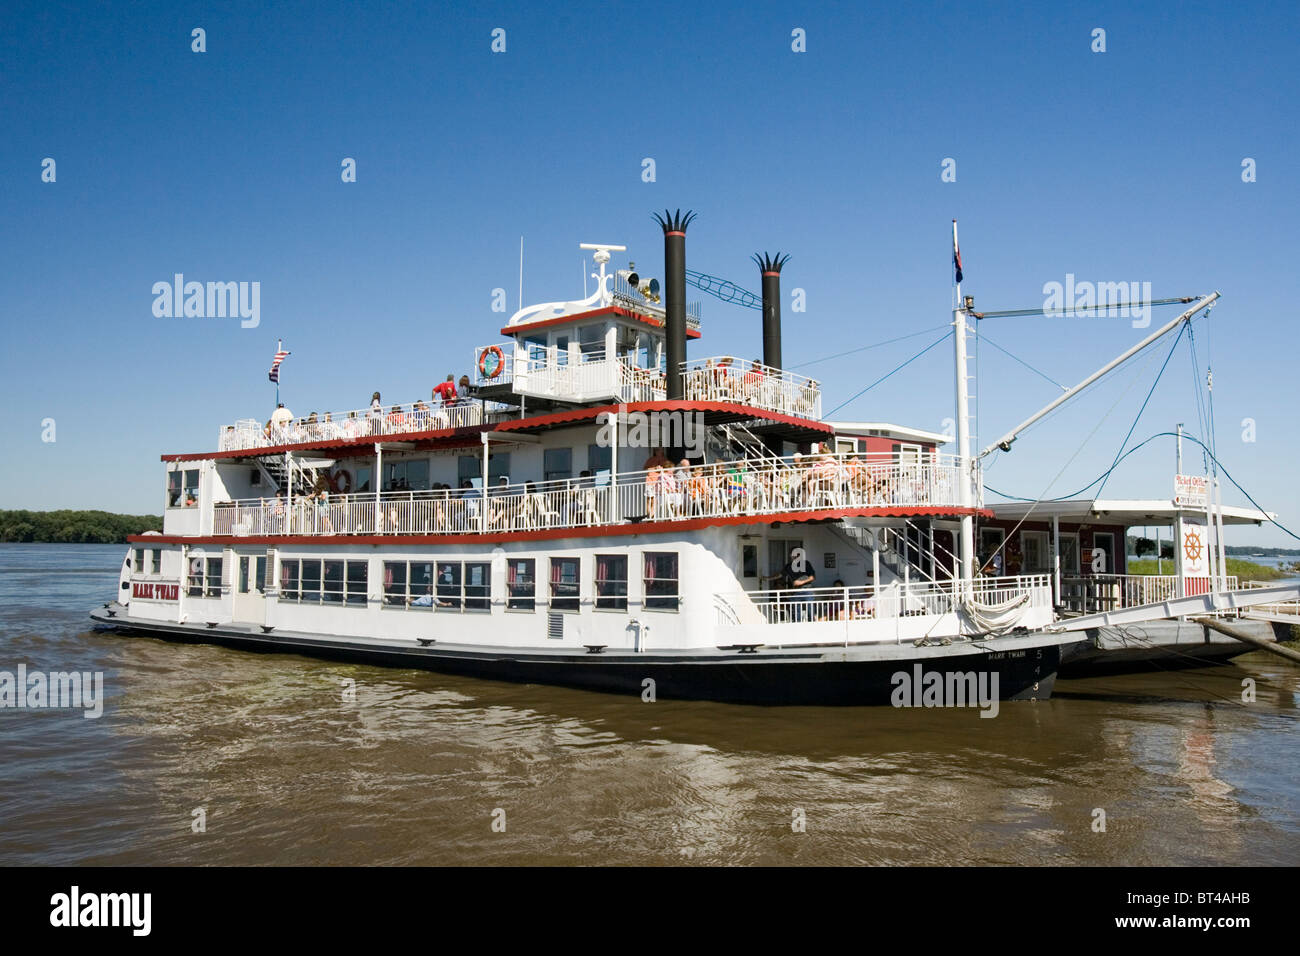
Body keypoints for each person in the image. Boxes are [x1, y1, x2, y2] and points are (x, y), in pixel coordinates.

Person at [763, 547, 817, 621]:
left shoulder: (806, 563)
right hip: (796, 592)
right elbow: (779, 575)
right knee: (796, 613)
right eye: (791, 554)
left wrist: (800, 582)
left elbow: (812, 577)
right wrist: (767, 578)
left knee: (810, 611)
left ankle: (813, 626)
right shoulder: (788, 566)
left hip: (806, 590)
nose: (791, 556)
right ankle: (797, 627)